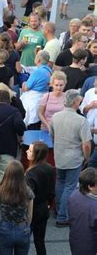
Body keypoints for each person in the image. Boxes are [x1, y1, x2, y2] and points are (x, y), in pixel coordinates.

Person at [50, 89, 92, 227]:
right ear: (75, 102)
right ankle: (63, 216)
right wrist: (87, 158)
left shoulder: (55, 117)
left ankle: (58, 210)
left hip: (59, 155)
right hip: (74, 158)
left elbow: (53, 135)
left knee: (60, 183)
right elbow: (86, 144)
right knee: (70, 186)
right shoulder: (81, 120)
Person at [0, 160, 34, 254]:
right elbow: (30, 215)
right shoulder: (28, 191)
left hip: (5, 229)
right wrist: (26, 228)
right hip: (22, 228)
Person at [0, 89, 26, 192]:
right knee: (4, 173)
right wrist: (20, 135)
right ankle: (1, 195)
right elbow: (19, 125)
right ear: (9, 100)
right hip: (8, 147)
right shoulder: (14, 111)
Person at [25, 141, 55, 255]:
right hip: (43, 209)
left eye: (30, 150)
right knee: (40, 241)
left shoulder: (30, 173)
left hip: (32, 211)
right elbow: (52, 190)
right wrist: (48, 204)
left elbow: (28, 196)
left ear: (36, 155)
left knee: (24, 241)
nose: (27, 151)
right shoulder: (49, 168)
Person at [68, 167, 97, 254]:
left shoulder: (74, 195)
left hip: (75, 238)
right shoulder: (94, 207)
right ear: (90, 187)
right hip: (90, 245)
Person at [20, 51, 52, 128]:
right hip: (42, 99)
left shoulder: (37, 72)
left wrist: (24, 82)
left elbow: (26, 88)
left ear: (38, 60)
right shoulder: (50, 71)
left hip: (33, 101)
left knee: (31, 123)